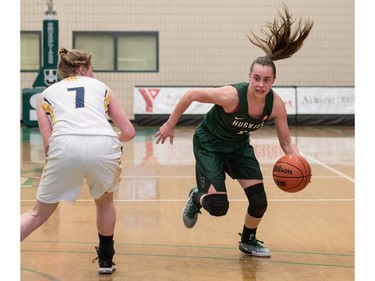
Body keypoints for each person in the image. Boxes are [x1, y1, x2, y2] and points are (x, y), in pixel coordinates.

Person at [155, 4, 313, 257]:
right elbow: (191, 94)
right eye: (256, 78)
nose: (261, 84)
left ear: (273, 81)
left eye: (266, 80)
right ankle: (197, 197)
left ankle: (248, 241)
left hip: (238, 147)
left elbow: (286, 143)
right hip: (210, 145)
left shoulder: (276, 105)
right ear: (249, 77)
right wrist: (170, 123)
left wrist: (299, 161)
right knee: (218, 207)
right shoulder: (230, 96)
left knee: (259, 201)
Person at [20, 48, 136, 274]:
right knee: (104, 202)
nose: (92, 73)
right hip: (103, 143)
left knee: (37, 214)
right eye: (91, 69)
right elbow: (129, 131)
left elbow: (47, 146)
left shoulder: (45, 95)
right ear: (82, 68)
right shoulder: (103, 88)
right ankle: (105, 260)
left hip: (64, 144)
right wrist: (111, 141)